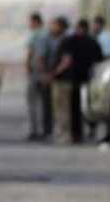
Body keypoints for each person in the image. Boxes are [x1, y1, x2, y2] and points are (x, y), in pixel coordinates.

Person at [25, 12, 53, 140]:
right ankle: (44, 130)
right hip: (42, 71)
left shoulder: (37, 35)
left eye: (30, 22)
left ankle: (36, 131)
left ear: (35, 22)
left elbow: (36, 55)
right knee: (43, 102)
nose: (29, 25)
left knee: (34, 103)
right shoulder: (46, 35)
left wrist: (29, 67)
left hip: (37, 72)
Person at [48, 16, 74, 143]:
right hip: (60, 80)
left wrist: (54, 73)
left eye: (54, 25)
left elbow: (66, 61)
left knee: (63, 109)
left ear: (60, 26)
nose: (52, 28)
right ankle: (60, 133)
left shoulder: (65, 41)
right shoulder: (60, 40)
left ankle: (65, 135)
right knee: (58, 109)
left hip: (63, 80)